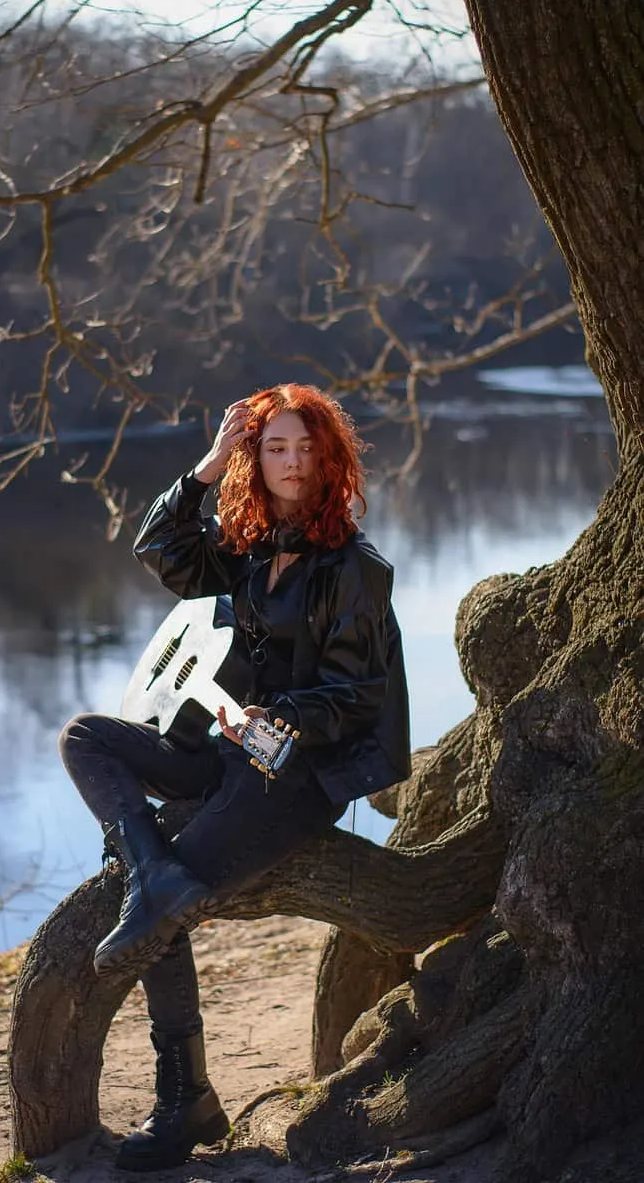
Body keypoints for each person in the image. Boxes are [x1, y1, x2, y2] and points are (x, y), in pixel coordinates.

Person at [59, 382, 410, 1172]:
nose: (289, 463)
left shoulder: (354, 569)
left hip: (294, 777)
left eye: (303, 447)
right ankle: (150, 871)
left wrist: (275, 715)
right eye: (273, 447)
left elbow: (355, 696)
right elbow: (161, 550)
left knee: (155, 902)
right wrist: (209, 466)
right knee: (87, 738)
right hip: (221, 751)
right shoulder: (244, 543)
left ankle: (185, 1101)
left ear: (329, 458)